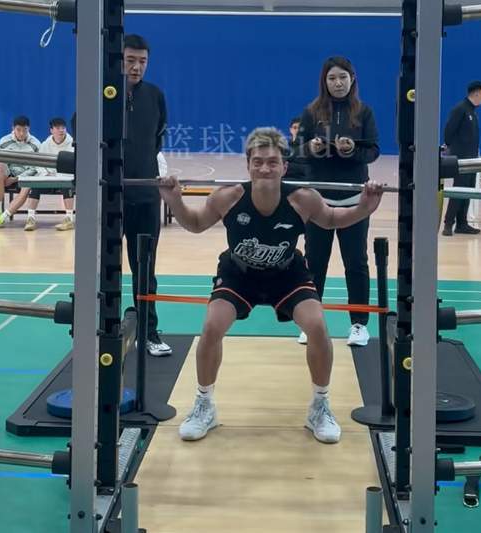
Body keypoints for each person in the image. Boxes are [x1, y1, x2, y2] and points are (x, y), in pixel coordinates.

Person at [158, 127, 383, 444]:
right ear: (248, 165)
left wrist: (364, 208)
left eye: (272, 162)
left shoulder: (302, 199)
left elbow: (332, 219)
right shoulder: (228, 197)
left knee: (317, 326)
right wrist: (174, 201)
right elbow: (195, 224)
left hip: (287, 273)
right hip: (239, 273)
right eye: (258, 162)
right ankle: (204, 405)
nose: (265, 168)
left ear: (284, 166)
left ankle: (319, 407)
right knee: (211, 327)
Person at [296, 56, 380, 347]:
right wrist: (312, 147)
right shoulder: (311, 112)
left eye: (343, 77)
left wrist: (352, 149)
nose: (338, 83)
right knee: (314, 262)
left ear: (352, 79)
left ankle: (359, 324)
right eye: (332, 78)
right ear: (324, 81)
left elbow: (373, 151)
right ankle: (311, 323)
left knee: (356, 262)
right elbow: (297, 151)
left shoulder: (364, 112)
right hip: (318, 201)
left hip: (354, 201)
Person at [122, 34, 171, 356]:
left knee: (145, 269)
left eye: (142, 61)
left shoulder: (155, 95)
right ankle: (102, 331)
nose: (136, 67)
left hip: (146, 196)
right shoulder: (101, 93)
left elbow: (157, 139)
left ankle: (148, 332)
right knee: (102, 269)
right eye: (130, 60)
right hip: (110, 197)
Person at [441, 80, 481, 236]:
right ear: (477, 93)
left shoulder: (472, 111)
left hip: (472, 159)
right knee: (458, 190)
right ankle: (448, 223)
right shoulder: (460, 109)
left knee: (468, 191)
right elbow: (448, 131)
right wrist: (452, 149)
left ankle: (462, 223)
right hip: (461, 159)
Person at [0, 115, 41, 230]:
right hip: (9, 172)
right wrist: (6, 175)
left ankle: (2, 218)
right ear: (13, 128)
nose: (21, 133)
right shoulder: (4, 141)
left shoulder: (36, 144)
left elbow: (36, 168)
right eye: (18, 130)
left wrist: (15, 179)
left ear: (29, 129)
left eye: (25, 130)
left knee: (27, 186)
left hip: (26, 176)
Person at [28, 117, 75, 232]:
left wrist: (60, 175)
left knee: (67, 185)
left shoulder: (73, 144)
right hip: (49, 178)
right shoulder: (45, 144)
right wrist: (45, 174)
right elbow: (38, 163)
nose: (61, 130)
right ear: (51, 130)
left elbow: (73, 165)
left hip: (65, 178)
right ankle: (30, 218)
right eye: (58, 128)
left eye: (63, 128)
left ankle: (69, 219)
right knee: (35, 185)